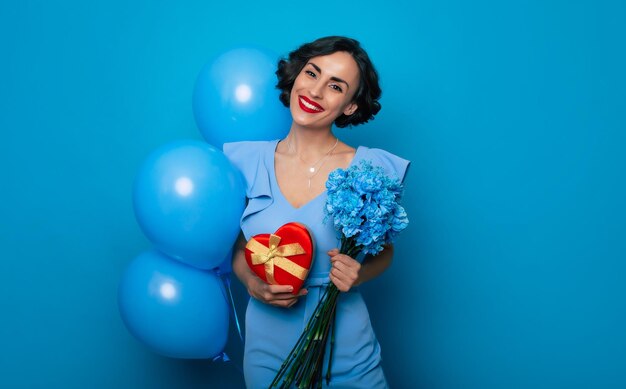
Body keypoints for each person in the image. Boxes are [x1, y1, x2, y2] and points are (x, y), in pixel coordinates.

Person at [224, 36, 410, 388]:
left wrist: (359, 273)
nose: (315, 91)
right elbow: (237, 248)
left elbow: (385, 251)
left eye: (335, 86)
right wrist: (251, 282)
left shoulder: (369, 169)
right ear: (296, 76)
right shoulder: (244, 163)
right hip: (267, 353)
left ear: (350, 106)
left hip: (349, 353)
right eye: (312, 73)